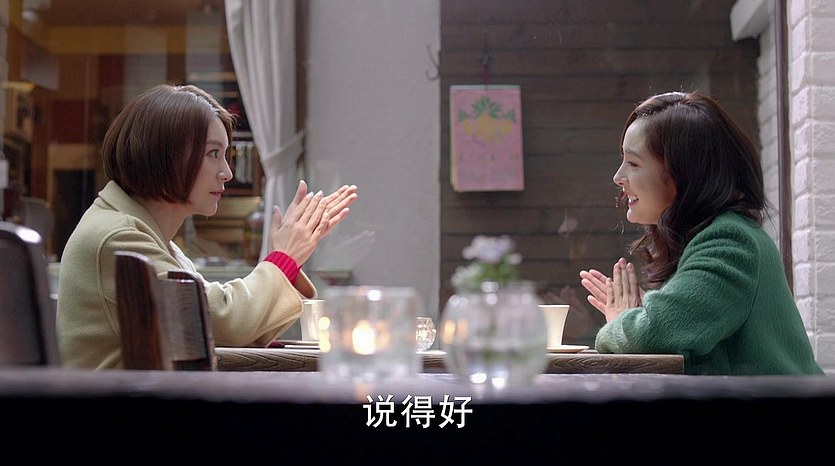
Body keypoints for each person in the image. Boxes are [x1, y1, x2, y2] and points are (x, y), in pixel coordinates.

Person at [56, 84, 358, 369]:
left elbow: (221, 332)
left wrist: (287, 259)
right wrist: (284, 259)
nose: (227, 172)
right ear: (165, 155)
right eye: (213, 153)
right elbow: (221, 322)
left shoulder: (139, 231)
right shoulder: (117, 236)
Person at [579, 91, 823, 375]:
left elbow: (651, 333)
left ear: (683, 173)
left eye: (633, 163)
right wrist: (641, 314)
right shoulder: (713, 237)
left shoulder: (730, 242)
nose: (618, 177)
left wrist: (623, 320)